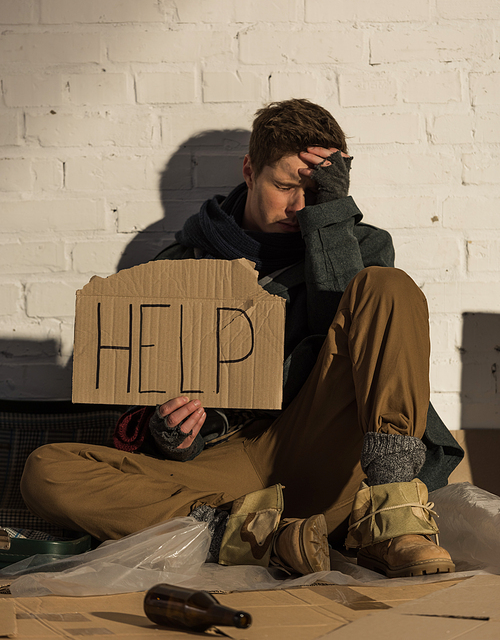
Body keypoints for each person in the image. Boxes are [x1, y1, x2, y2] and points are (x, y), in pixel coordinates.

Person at [22, 99, 463, 579]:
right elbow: (145, 402)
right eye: (285, 185)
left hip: (327, 444)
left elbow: (337, 331)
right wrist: (171, 434)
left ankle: (393, 525)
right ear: (250, 171)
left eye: (314, 191)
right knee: (47, 469)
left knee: (388, 285)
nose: (298, 206)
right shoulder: (180, 263)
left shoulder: (361, 244)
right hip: (226, 472)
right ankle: (259, 539)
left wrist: (330, 215)